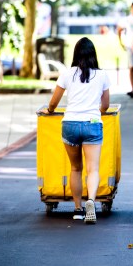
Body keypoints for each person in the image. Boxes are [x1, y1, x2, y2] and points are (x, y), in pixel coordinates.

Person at [39, 37, 110, 223]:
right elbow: (106, 105)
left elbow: (53, 102)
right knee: (93, 169)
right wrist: (97, 112)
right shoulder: (102, 75)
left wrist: (50, 110)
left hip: (70, 124)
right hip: (92, 124)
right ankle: (91, 202)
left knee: (76, 168)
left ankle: (78, 209)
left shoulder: (67, 74)